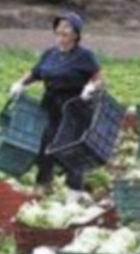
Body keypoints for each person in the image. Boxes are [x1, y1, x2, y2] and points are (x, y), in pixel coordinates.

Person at [8, 11, 103, 192]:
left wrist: (91, 88)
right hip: (52, 105)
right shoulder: (50, 54)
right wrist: (20, 83)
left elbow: (99, 79)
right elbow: (36, 73)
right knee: (46, 145)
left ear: (76, 34)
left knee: (70, 148)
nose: (62, 31)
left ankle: (75, 190)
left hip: (74, 108)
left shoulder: (85, 56)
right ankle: (43, 185)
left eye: (67, 28)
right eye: (59, 27)